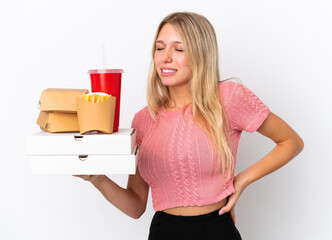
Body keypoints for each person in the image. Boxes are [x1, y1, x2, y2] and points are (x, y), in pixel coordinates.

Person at [75, 11, 304, 240]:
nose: (165, 57)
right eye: (160, 47)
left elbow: (291, 142)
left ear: (200, 54)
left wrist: (241, 181)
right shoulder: (143, 120)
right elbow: (136, 207)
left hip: (216, 230)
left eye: (179, 49)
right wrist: (99, 179)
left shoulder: (228, 98)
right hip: (163, 231)